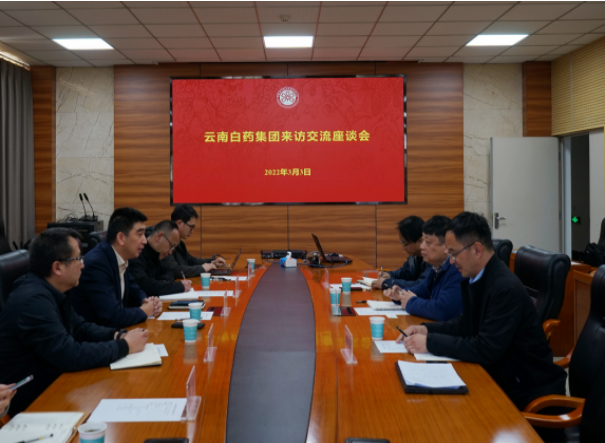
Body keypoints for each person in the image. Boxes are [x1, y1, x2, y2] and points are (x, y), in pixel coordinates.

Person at [398, 212, 567, 410]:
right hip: (499, 376)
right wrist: (426, 329)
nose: (451, 261)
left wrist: (430, 343)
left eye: (454, 253)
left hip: (525, 392)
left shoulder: (504, 288)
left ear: (477, 250)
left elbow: (485, 348)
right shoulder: (478, 277)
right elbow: (465, 323)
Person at [0, 228, 149, 415]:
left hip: (57, 388)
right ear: (57, 268)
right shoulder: (33, 301)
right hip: (32, 406)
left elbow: (80, 328)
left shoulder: (52, 289)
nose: (83, 265)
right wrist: (124, 346)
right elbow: (69, 355)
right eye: (78, 259)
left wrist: (117, 334)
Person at [71, 208, 162, 328]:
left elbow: (133, 290)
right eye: (140, 234)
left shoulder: (120, 257)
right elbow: (112, 316)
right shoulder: (96, 265)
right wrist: (144, 311)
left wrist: (145, 301)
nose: (145, 241)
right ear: (121, 238)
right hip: (97, 336)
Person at [384, 215, 464, 321]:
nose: (421, 246)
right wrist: (400, 293)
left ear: (446, 246)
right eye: (422, 241)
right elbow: (423, 289)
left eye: (428, 242)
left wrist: (410, 302)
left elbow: (442, 310)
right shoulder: (437, 267)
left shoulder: (457, 269)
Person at [129, 220, 192, 296]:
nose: (170, 252)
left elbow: (169, 272)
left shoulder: (159, 252)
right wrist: (179, 286)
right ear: (159, 237)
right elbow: (144, 284)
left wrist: (164, 284)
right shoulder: (136, 253)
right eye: (171, 246)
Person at [163, 204, 226, 279]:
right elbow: (175, 270)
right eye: (191, 227)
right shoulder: (165, 242)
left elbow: (190, 261)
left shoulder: (179, 242)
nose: (192, 231)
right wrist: (202, 268)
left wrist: (212, 262)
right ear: (179, 223)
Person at [372, 215, 430, 290]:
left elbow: (421, 285)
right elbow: (405, 273)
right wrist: (390, 275)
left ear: (420, 241)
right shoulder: (414, 256)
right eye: (401, 242)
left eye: (405, 244)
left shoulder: (431, 258)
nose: (403, 248)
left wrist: (388, 283)